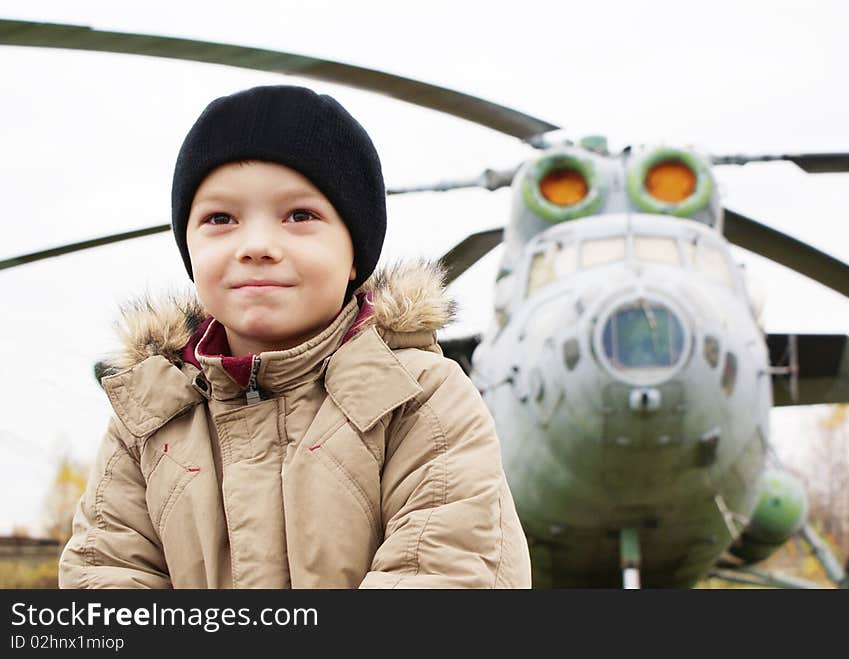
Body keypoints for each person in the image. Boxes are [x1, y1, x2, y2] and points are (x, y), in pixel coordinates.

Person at [58, 85, 532, 588]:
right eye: (221, 219)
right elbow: (105, 574)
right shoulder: (149, 419)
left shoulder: (421, 400)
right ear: (189, 249)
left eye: (300, 216)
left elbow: (445, 574)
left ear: (355, 256)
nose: (257, 245)